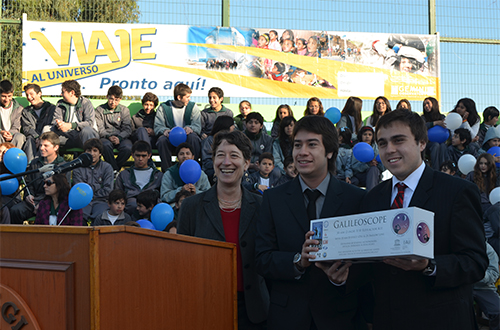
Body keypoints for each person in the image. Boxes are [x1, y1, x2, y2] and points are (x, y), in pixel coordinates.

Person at [359, 109, 488, 329]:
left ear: (421, 143)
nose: (389, 149)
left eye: (398, 140)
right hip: (388, 320)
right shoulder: (372, 198)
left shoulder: (457, 191)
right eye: (382, 143)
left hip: (442, 320)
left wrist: (429, 266)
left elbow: (475, 262)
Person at [255, 115, 366, 330]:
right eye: (297, 145)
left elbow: (367, 267)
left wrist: (341, 278)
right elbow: (262, 258)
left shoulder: (356, 198)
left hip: (340, 316)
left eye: (312, 144)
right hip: (287, 318)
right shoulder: (273, 199)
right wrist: (298, 262)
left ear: (330, 151)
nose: (302, 152)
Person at [179, 130, 270, 329]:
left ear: (246, 163)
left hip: (254, 312)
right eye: (220, 155)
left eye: (234, 156)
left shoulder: (263, 206)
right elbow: (183, 264)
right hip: (205, 309)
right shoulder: (191, 207)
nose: (226, 162)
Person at [10, 132, 67, 224]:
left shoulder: (63, 165)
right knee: (15, 210)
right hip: (33, 202)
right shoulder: (34, 163)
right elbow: (29, 183)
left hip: (52, 202)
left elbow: (62, 190)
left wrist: (43, 204)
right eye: (40, 145)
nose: (41, 148)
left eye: (45, 145)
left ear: (56, 147)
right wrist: (29, 195)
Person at [154, 83, 202, 171]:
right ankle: (167, 171)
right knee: (161, 140)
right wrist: (165, 131)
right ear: (179, 97)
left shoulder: (192, 107)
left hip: (187, 140)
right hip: (170, 140)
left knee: (194, 138)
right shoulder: (163, 108)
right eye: (187, 97)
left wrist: (191, 128)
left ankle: (193, 168)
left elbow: (197, 126)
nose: (189, 99)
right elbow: (157, 126)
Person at [115, 141, 163, 215]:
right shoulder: (124, 174)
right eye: (138, 155)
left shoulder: (158, 175)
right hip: (131, 207)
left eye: (143, 156)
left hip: (152, 207)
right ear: (132, 155)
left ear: (149, 155)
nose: (140, 159)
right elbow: (118, 194)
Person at [72, 138, 114, 221]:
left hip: (101, 201)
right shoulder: (78, 168)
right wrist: (87, 196)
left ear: (100, 153)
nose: (92, 154)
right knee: (80, 215)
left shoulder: (107, 167)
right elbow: (78, 187)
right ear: (84, 152)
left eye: (95, 150)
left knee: (101, 216)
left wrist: (93, 196)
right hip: (83, 201)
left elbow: (108, 189)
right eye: (89, 150)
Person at [95, 85, 133, 172]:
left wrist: (119, 138)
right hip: (105, 137)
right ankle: (115, 170)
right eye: (111, 99)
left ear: (120, 100)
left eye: (116, 100)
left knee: (128, 148)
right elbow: (100, 128)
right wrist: (108, 136)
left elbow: (127, 129)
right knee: (105, 145)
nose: (113, 102)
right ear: (107, 97)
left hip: (122, 137)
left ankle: (112, 170)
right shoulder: (99, 110)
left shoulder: (124, 110)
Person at [52, 79, 99, 150]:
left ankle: (90, 159)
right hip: (66, 136)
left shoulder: (86, 103)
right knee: (47, 129)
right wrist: (59, 124)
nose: (61, 94)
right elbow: (55, 120)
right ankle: (44, 160)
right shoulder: (60, 103)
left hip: (82, 136)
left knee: (87, 130)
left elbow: (90, 123)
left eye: (63, 92)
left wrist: (71, 125)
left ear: (72, 92)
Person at [21, 83, 56, 162]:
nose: (29, 97)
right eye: (27, 95)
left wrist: (41, 138)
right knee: (29, 140)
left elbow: (52, 125)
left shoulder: (51, 108)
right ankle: (30, 166)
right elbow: (27, 128)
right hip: (33, 139)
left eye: (31, 94)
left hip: (48, 137)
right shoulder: (26, 111)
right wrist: (37, 137)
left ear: (39, 94)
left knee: (46, 142)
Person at [473, 242, 500, 330]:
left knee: (498, 311)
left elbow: (494, 273)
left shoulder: (487, 248)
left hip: (483, 287)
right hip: (460, 286)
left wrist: (477, 276)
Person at [201, 115, 235, 184]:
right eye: (232, 125)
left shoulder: (233, 140)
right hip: (213, 170)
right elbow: (206, 162)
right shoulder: (209, 140)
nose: (234, 127)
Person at [352, 126, 384, 190]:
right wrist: (368, 165)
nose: (367, 137)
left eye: (370, 135)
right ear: (361, 136)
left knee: (374, 169)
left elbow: (384, 166)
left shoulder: (377, 148)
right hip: (360, 176)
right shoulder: (357, 148)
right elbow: (354, 166)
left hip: (374, 174)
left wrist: (376, 164)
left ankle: (371, 194)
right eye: (365, 134)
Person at [421, 97, 447, 170]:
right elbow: (421, 127)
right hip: (428, 144)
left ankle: (443, 169)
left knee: (443, 146)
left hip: (441, 142)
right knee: (435, 145)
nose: (426, 106)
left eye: (428, 103)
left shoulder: (442, 117)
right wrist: (435, 123)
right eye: (424, 104)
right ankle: (436, 170)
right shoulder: (423, 118)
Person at [0, 80, 25, 149]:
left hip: (12, 136)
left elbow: (17, 126)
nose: (7, 99)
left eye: (9, 96)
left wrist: (10, 134)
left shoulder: (19, 108)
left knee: (20, 137)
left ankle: (16, 158)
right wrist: (1, 132)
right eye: (3, 96)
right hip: (0, 135)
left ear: (13, 93)